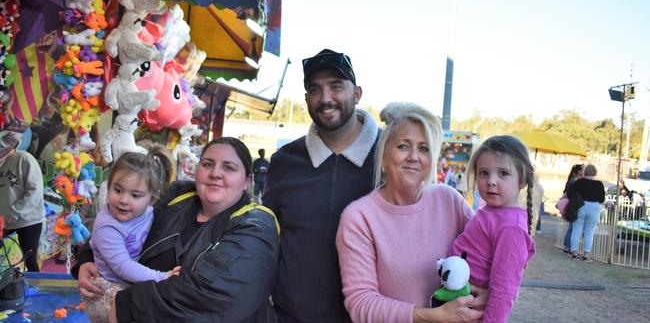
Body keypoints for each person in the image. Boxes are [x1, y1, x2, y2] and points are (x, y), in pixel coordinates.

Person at [73, 137, 280, 322]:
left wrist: (128, 306)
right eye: (208, 164)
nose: (216, 173)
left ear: (247, 181)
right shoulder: (176, 197)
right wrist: (87, 260)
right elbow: (120, 225)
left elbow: (209, 295)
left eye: (228, 168)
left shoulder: (256, 225)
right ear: (196, 170)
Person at [336, 102, 486, 323]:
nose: (414, 156)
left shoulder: (449, 199)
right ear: (384, 156)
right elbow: (361, 304)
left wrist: (490, 289)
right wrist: (435, 316)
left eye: (424, 148)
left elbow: (490, 250)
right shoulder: (359, 217)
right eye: (403, 146)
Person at [263, 48, 380, 322]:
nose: (325, 99)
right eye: (315, 90)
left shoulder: (389, 156)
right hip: (288, 315)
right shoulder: (285, 160)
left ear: (358, 93)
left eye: (336, 86)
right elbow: (265, 236)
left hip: (367, 316)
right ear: (306, 99)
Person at [84, 145, 180, 323]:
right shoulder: (107, 226)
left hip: (129, 283)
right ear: (109, 186)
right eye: (117, 190)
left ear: (152, 199)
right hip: (106, 289)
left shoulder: (149, 212)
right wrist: (163, 277)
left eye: (135, 195)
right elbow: (123, 266)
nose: (124, 200)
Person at [449, 135, 536, 322]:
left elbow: (504, 289)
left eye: (503, 173)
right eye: (483, 173)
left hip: (472, 312)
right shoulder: (492, 212)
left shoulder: (510, 228)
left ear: (522, 180)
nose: (491, 181)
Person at [0, 130, 45, 272]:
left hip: (28, 221)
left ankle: (36, 292)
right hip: (6, 223)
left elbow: (35, 191)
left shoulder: (24, 159)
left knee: (29, 261)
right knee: (7, 262)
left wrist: (15, 212)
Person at [567, 164, 605, 262]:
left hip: (581, 206)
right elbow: (602, 199)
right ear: (595, 172)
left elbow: (570, 193)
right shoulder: (599, 184)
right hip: (594, 208)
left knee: (576, 230)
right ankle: (586, 255)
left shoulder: (579, 182)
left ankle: (574, 253)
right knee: (589, 233)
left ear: (585, 172)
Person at [561, 164, 584, 253]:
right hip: (573, 206)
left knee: (571, 227)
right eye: (583, 170)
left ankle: (567, 246)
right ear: (579, 172)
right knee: (572, 228)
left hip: (571, 205)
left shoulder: (573, 180)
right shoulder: (575, 181)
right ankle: (569, 247)